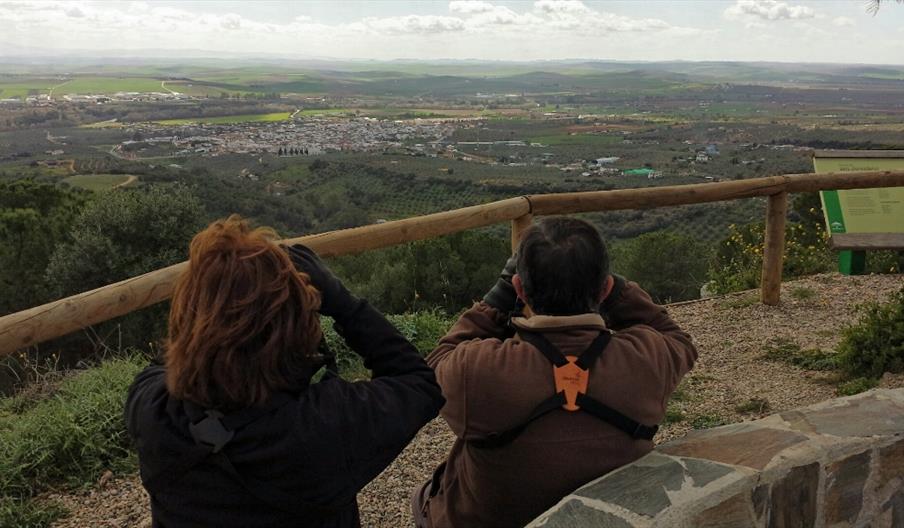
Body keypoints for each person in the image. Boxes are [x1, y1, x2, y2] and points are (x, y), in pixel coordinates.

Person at [125, 215, 444, 528]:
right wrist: (339, 300)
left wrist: (212, 294)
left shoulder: (153, 412)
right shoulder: (323, 426)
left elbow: (174, 354)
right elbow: (419, 383)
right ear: (299, 330)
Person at [414, 216, 697, 528]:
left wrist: (497, 300)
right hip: (609, 520)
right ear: (604, 289)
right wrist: (620, 292)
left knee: (427, 497)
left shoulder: (478, 371)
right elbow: (678, 339)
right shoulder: (647, 361)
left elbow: (433, 367)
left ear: (519, 288)